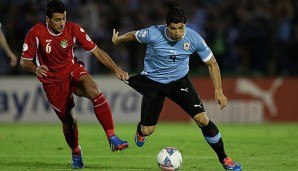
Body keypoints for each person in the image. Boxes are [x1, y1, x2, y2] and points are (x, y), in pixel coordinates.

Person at [112, 7, 242, 171]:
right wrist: (119, 40)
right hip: (153, 82)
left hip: (179, 81)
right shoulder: (153, 33)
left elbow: (212, 63)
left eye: (181, 28)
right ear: (167, 26)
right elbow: (133, 35)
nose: (178, 33)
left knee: (202, 119)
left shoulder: (193, 38)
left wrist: (218, 91)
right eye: (173, 28)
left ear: (185, 25)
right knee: (148, 130)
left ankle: (224, 159)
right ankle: (141, 131)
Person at [20, 0, 129, 169]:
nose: (62, 23)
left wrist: (116, 68)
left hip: (72, 70)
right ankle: (76, 152)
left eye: (64, 18)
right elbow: (24, 61)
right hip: (53, 82)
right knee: (70, 122)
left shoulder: (73, 29)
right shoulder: (36, 32)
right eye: (57, 19)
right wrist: (35, 69)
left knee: (95, 91)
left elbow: (97, 51)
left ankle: (112, 137)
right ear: (47, 19)